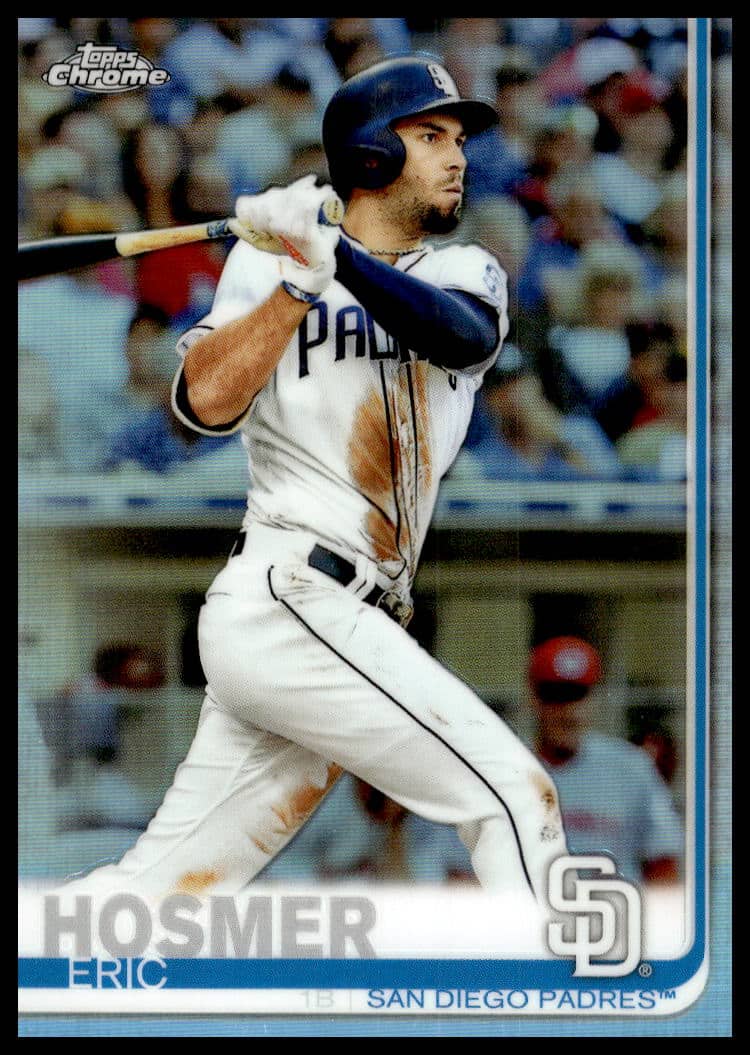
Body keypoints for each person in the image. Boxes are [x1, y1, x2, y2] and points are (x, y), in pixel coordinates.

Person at [65, 56, 567, 915]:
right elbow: (202, 407)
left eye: (458, 139)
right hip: (288, 593)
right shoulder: (266, 269)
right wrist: (297, 280)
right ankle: (571, 982)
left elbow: (459, 338)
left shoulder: (464, 269)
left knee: (156, 899)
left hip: (351, 619)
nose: (458, 157)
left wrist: (332, 256)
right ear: (372, 154)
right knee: (515, 796)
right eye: (431, 136)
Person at [529, 635, 682, 884]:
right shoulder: (504, 769)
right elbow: (465, 874)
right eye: (557, 697)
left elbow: (663, 864)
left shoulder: (631, 767)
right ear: (534, 699)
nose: (570, 713)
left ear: (594, 699)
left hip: (614, 906)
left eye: (578, 696)